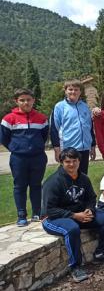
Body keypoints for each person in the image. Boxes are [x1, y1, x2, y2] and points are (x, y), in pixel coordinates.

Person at [41, 148, 104, 283]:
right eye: (68, 161)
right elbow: (49, 210)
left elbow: (91, 198)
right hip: (53, 218)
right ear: (62, 162)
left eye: (75, 161)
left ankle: (101, 253)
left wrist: (89, 210)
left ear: (79, 161)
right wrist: (74, 215)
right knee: (72, 229)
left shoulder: (83, 178)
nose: (72, 164)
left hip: (80, 213)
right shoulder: (53, 182)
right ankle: (75, 267)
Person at [1, 89, 49, 226]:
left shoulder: (41, 118)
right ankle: (21, 215)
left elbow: (44, 136)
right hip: (18, 159)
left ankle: (36, 213)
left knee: (36, 185)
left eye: (28, 99)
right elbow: (4, 139)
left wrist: (36, 147)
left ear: (33, 100)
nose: (26, 102)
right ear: (16, 101)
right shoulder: (8, 119)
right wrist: (16, 149)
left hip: (38, 157)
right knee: (19, 186)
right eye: (22, 100)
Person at [50, 80, 96, 175]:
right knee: (68, 177)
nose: (73, 92)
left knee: (83, 176)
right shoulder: (59, 107)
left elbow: (90, 127)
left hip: (84, 149)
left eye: (76, 89)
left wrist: (92, 146)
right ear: (65, 91)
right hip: (68, 148)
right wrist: (57, 149)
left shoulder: (85, 106)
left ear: (80, 92)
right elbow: (54, 129)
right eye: (70, 89)